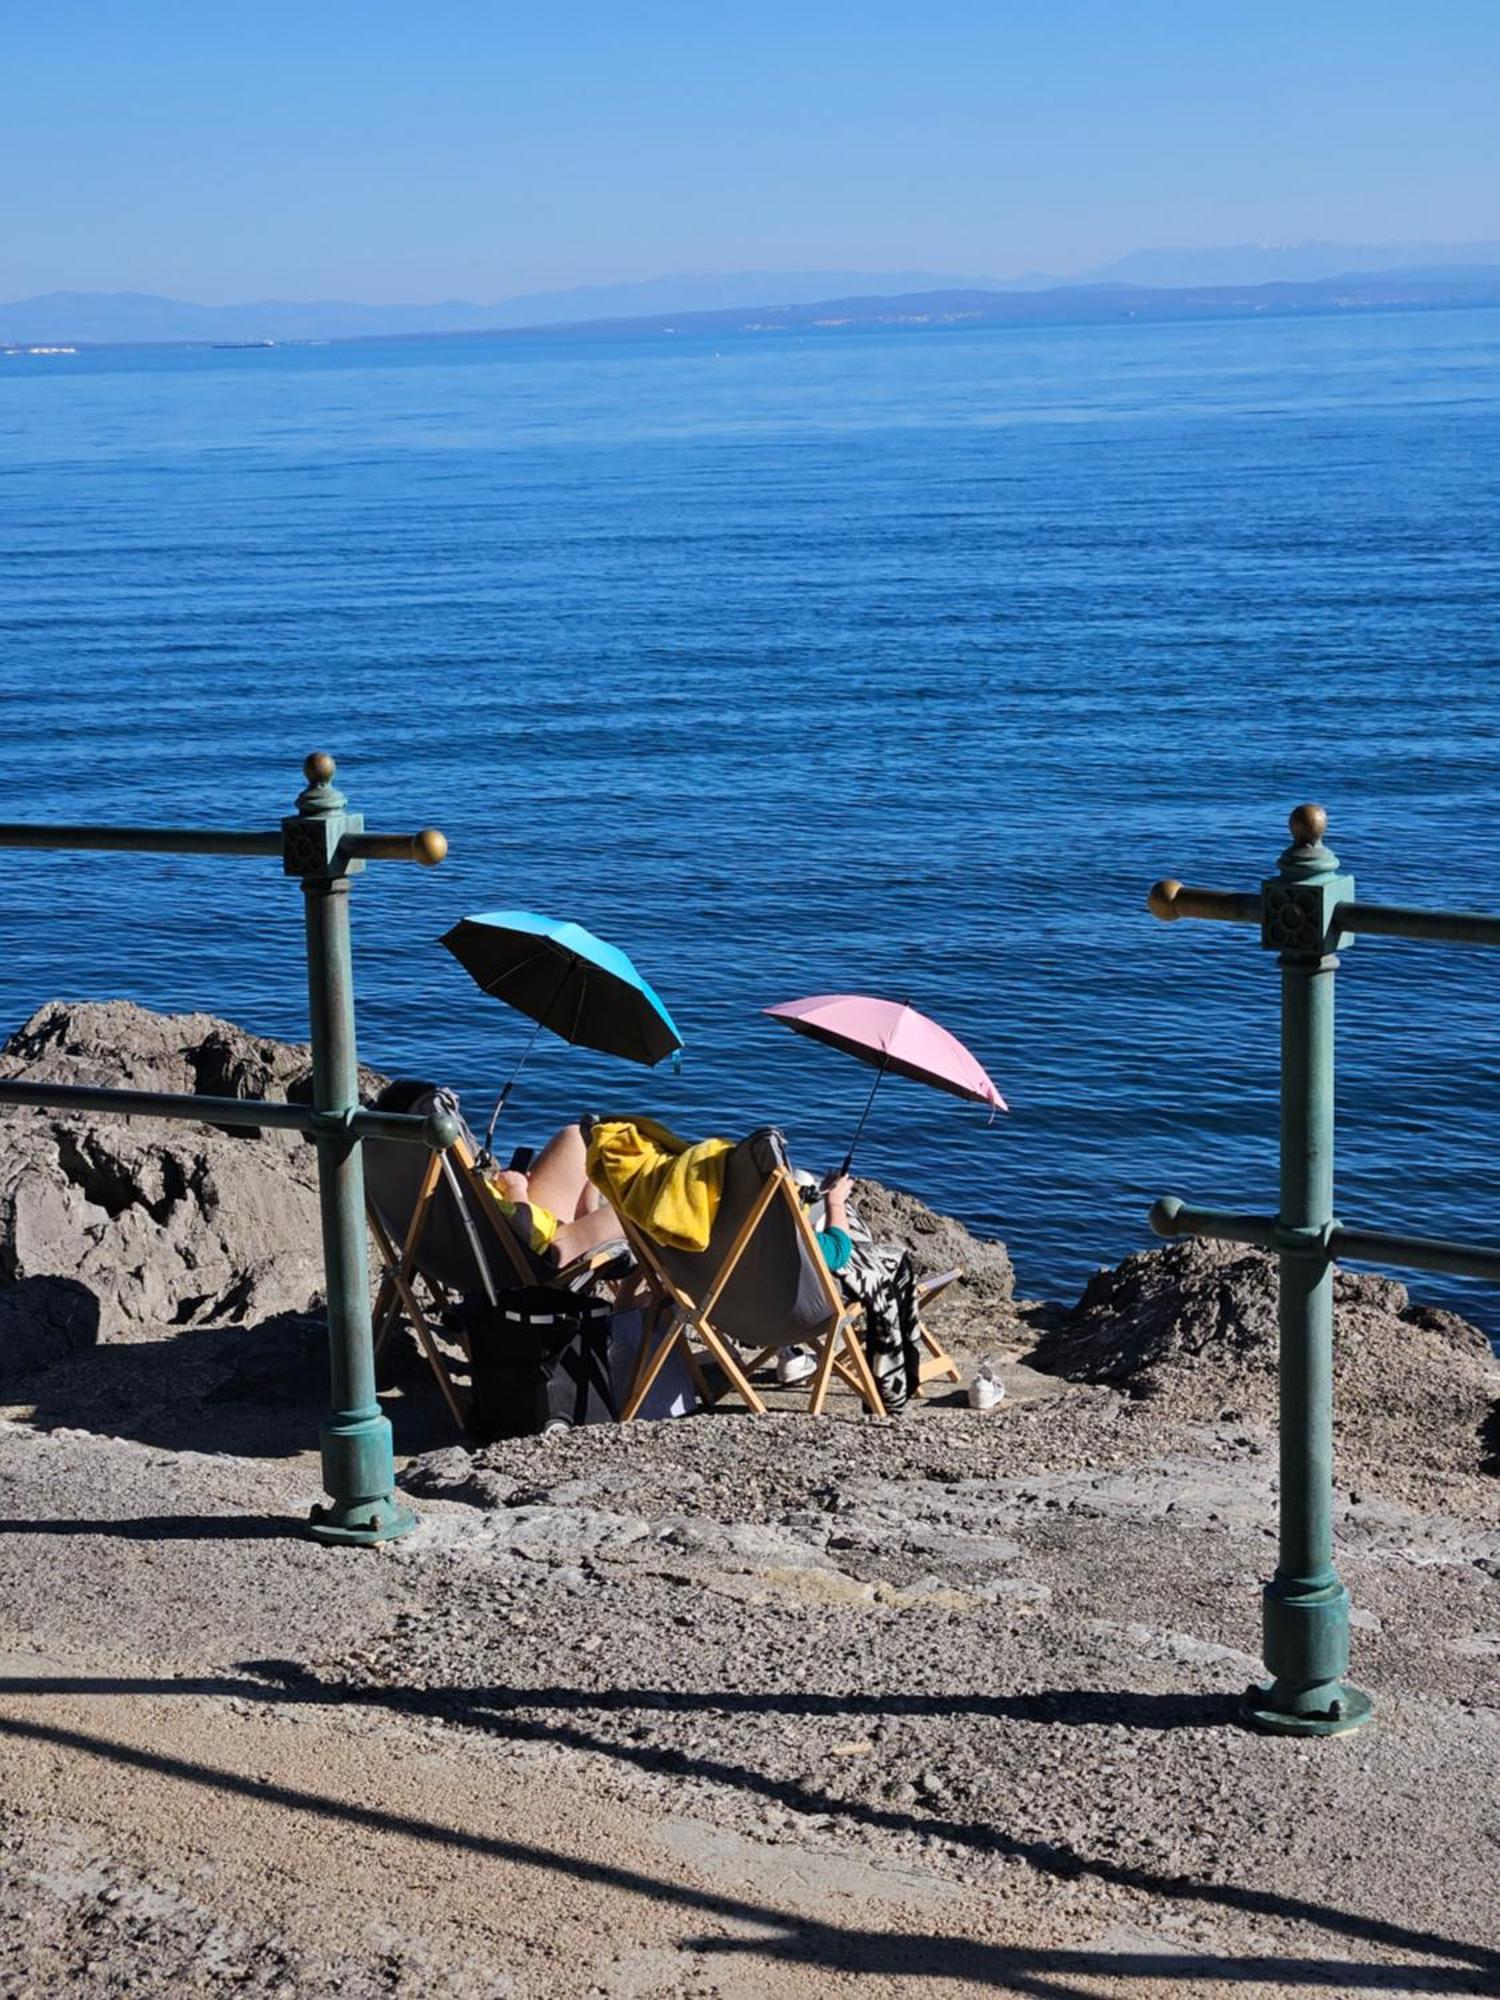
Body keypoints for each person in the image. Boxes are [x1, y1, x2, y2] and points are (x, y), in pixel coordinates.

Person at [482, 1121, 625, 1268]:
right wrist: (515, 1188)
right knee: (641, 1207)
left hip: (516, 1223)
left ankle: (587, 1218)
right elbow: (523, 1234)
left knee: (579, 1137)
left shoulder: (457, 1175)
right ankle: (629, 1290)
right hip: (541, 1251)